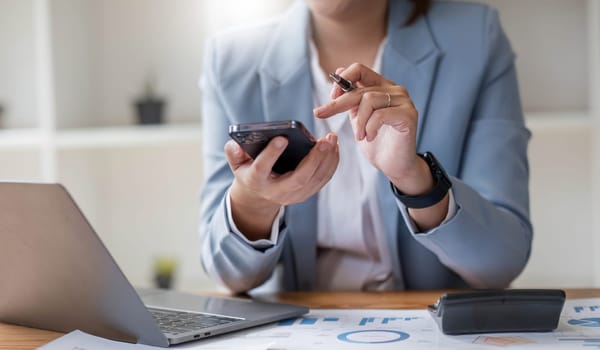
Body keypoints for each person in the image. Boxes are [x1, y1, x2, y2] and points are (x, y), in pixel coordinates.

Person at [199, 0, 532, 293]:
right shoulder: (230, 60)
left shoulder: (475, 37)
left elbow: (501, 263)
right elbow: (229, 275)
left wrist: (417, 181)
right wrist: (254, 203)